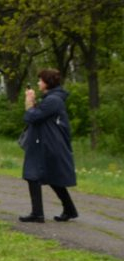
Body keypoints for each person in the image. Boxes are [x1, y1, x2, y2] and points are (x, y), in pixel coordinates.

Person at [18, 68, 79, 223]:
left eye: (40, 80)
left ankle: (37, 214)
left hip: (47, 144)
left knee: (32, 174)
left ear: (47, 82)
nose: (38, 83)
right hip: (47, 142)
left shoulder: (53, 100)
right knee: (53, 176)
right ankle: (70, 210)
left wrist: (29, 103)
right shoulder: (52, 98)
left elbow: (33, 117)